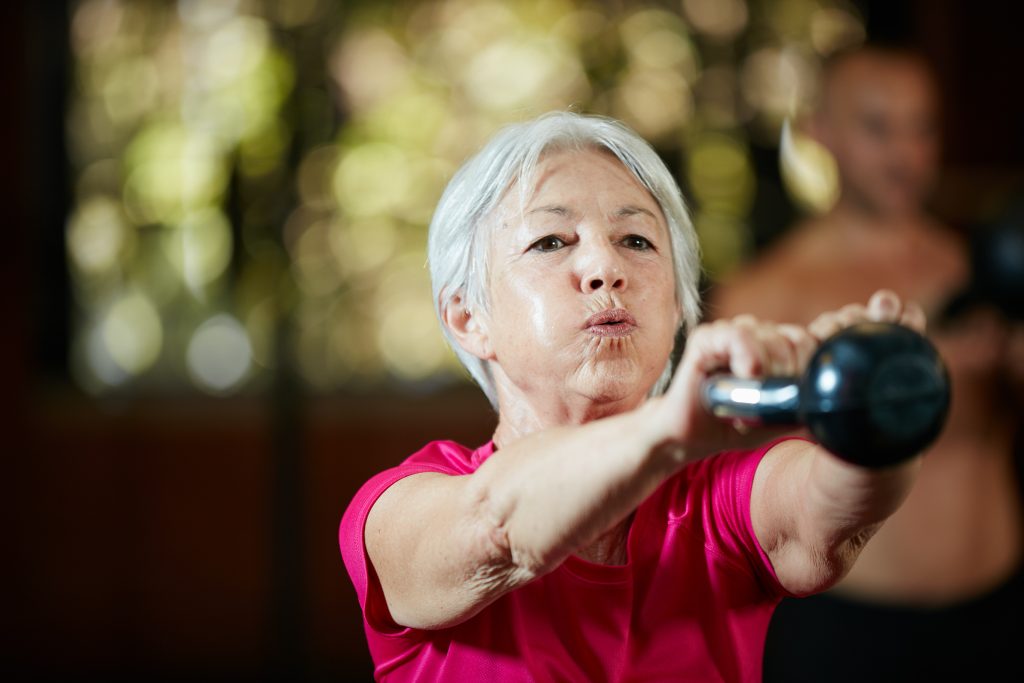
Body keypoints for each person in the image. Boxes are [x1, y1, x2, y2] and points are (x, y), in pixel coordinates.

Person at [338, 110, 930, 682]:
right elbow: (496, 524)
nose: (604, 267)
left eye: (637, 241)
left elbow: (838, 505)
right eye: (550, 241)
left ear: (677, 307)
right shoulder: (393, 511)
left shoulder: (720, 505)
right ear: (468, 318)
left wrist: (880, 400)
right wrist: (669, 429)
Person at [709, 45, 1024, 681]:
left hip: (999, 612)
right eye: (878, 128)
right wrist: (898, 373)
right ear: (819, 130)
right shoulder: (763, 296)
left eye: (922, 127)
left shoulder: (979, 271)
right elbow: (725, 484)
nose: (905, 153)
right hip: (846, 628)